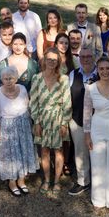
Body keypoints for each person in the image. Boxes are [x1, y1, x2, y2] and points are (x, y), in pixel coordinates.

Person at [84, 56, 109, 211]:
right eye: (101, 69)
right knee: (98, 164)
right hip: (97, 129)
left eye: (108, 68)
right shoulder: (91, 88)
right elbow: (87, 113)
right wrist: (87, 135)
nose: (105, 71)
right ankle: (98, 199)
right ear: (97, 70)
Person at [30, 47, 72, 195]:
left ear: (58, 61)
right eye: (49, 59)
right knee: (44, 150)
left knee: (58, 151)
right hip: (42, 118)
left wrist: (64, 122)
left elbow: (67, 101)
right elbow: (33, 101)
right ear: (44, 60)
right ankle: (47, 179)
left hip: (58, 117)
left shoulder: (64, 79)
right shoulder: (36, 78)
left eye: (55, 60)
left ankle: (57, 181)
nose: (52, 62)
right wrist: (36, 121)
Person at [0, 66, 38, 196]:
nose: (8, 81)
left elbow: (28, 107)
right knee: (11, 154)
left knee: (23, 151)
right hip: (7, 126)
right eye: (5, 78)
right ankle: (12, 182)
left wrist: (33, 124)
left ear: (16, 78)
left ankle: (21, 180)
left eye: (11, 78)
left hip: (24, 124)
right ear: (1, 79)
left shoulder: (23, 89)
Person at [67, 47, 97, 196]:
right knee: (80, 152)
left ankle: (98, 182)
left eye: (89, 56)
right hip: (77, 119)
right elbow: (67, 97)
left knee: (98, 151)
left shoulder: (103, 73)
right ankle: (83, 181)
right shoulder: (73, 74)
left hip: (99, 121)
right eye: (82, 56)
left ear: (94, 57)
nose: (85, 59)